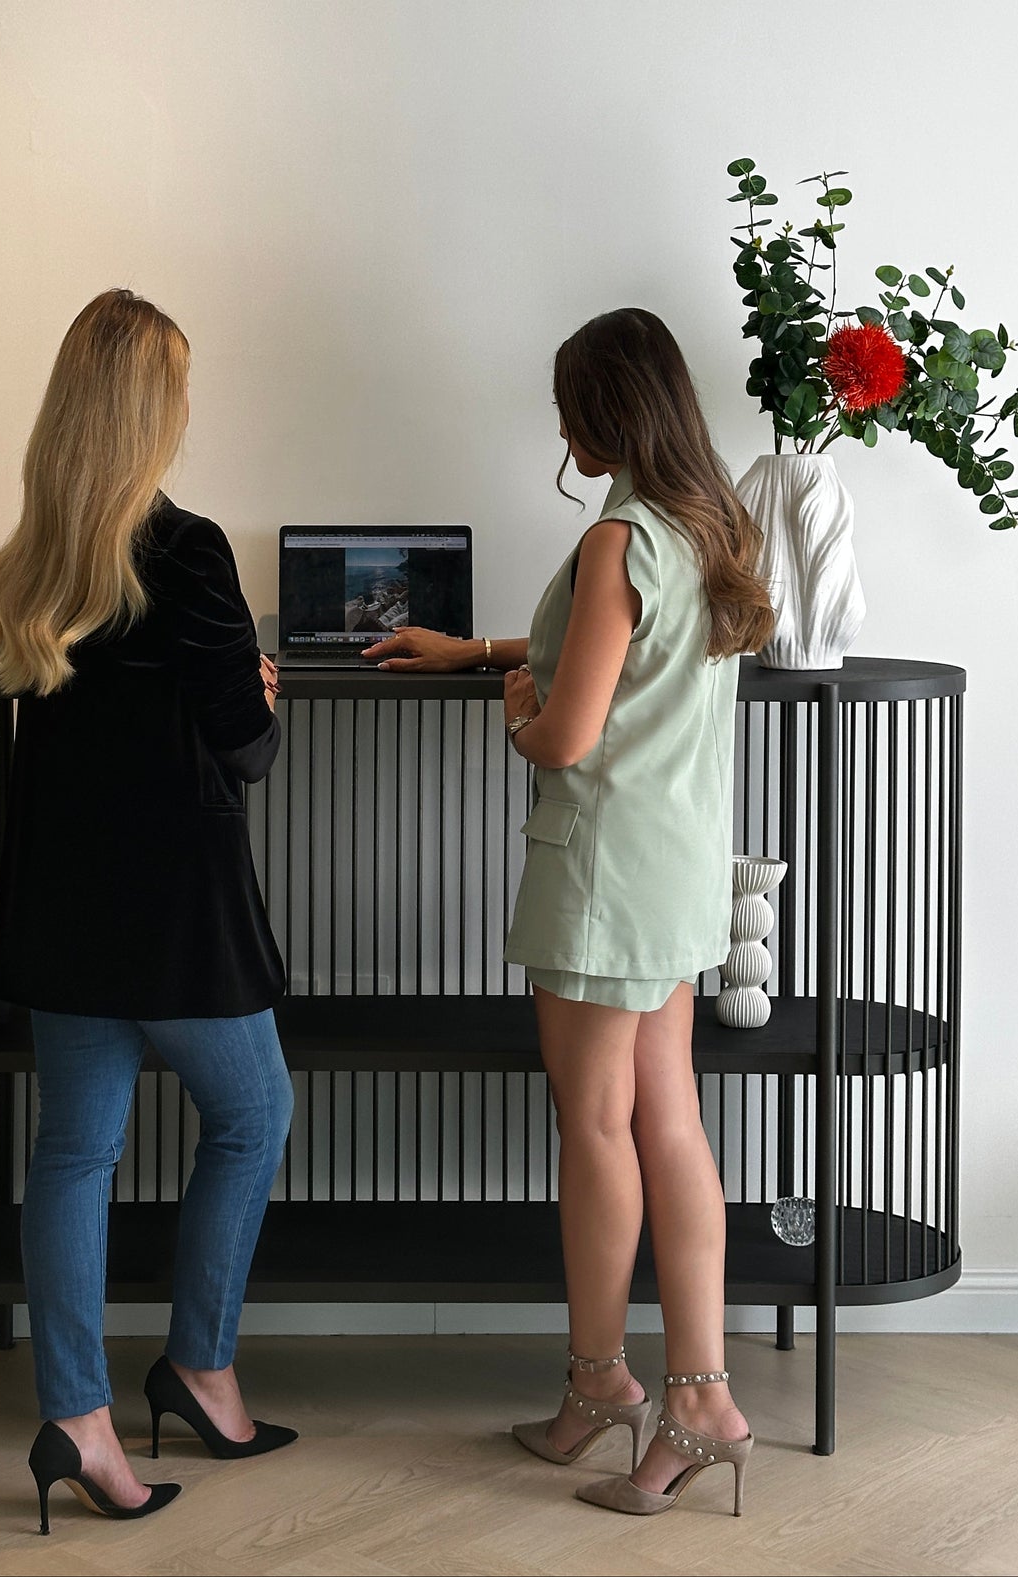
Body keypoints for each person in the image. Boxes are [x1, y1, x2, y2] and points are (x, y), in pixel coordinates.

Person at [363, 307, 774, 1517]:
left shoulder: (615, 539)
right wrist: (484, 647)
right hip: (678, 872)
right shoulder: (708, 528)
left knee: (594, 1126)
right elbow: (623, 653)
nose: (559, 434)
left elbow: (567, 733)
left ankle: (611, 1383)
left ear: (607, 413)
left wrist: (516, 711)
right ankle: (696, 1396)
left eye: (568, 411)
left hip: (599, 875)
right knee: (670, 1122)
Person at [0, 289, 298, 1536]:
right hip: (173, 908)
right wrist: (259, 689)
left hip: (65, 902)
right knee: (255, 1112)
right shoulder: (189, 550)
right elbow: (246, 746)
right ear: (152, 410)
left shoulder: (28, 564)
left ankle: (79, 1417)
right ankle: (199, 1367)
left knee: (73, 1150)